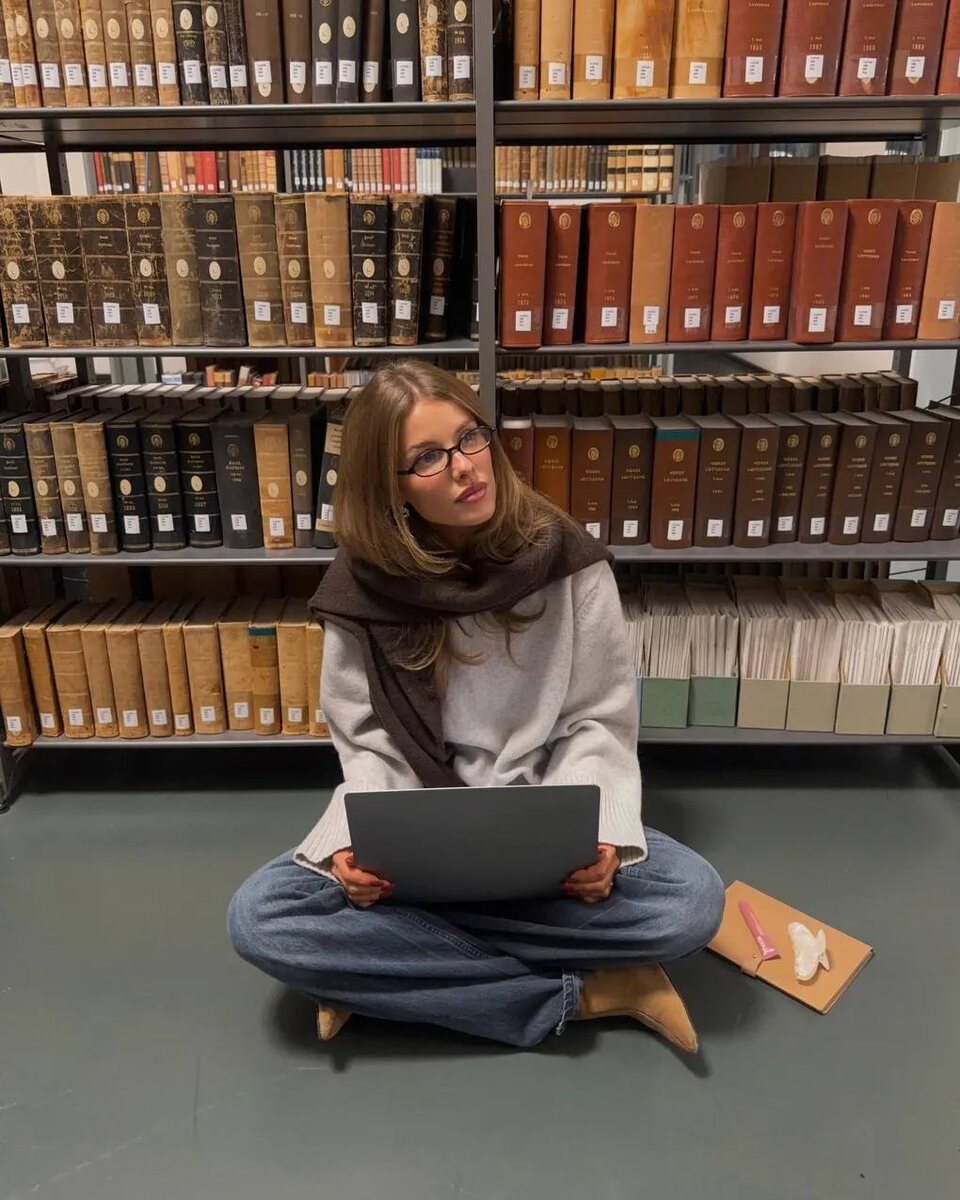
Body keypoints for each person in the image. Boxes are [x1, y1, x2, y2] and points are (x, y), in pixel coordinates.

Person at [228, 362, 725, 1052]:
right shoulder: (359, 590)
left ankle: (384, 968)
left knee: (692, 901)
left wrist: (603, 837)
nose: (465, 467)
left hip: (545, 826)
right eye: (427, 458)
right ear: (391, 489)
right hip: (418, 836)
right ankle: (586, 993)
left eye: (470, 437)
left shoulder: (567, 560)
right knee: (260, 918)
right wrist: (351, 848)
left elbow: (598, 718)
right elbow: (366, 743)